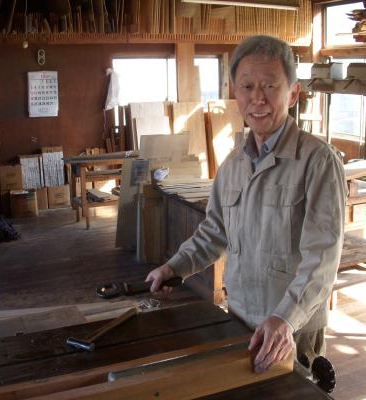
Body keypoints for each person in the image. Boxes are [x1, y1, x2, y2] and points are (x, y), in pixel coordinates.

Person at [146, 35, 346, 380]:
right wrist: (174, 267)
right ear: (234, 92)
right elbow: (213, 232)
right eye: (247, 86)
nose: (258, 98)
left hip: (290, 329)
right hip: (239, 315)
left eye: (270, 86)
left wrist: (285, 319)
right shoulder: (233, 164)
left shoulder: (317, 162)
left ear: (293, 93)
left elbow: (323, 258)